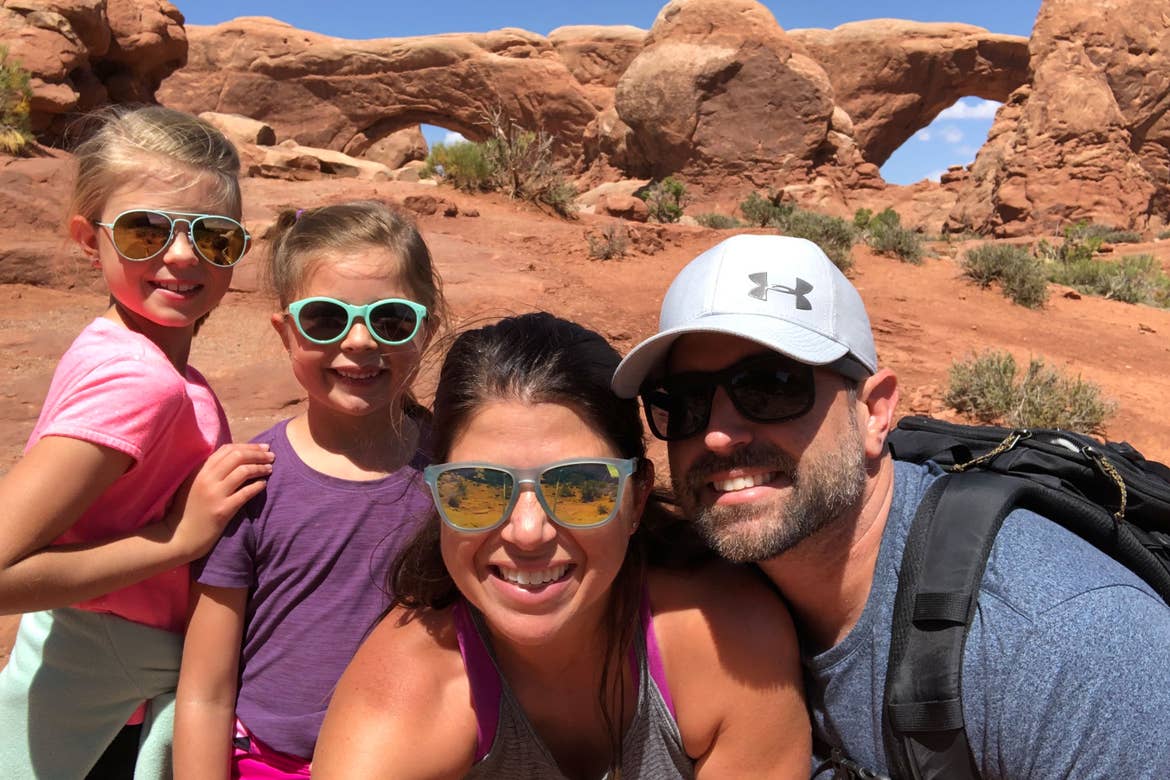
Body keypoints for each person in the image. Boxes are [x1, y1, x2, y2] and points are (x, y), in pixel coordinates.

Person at [610, 233, 1170, 778]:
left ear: (875, 412)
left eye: (772, 387)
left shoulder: (1056, 645)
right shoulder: (702, 587)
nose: (717, 435)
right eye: (684, 403)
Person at [313, 312, 810, 779]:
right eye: (479, 488)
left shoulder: (727, 643)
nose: (527, 532)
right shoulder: (399, 704)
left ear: (635, 501)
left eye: (580, 487)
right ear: (438, 498)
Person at [0, 106, 274, 778]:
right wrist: (177, 541)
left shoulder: (127, 352)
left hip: (101, 685)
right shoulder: (140, 381)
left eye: (214, 237)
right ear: (89, 240)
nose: (181, 255)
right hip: (101, 687)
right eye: (146, 230)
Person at [173, 201, 447, 779]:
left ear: (428, 327)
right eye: (325, 318)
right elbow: (204, 691)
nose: (359, 342)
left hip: (420, 763)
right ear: (285, 331)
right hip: (268, 765)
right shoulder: (251, 483)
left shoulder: (457, 471)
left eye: (391, 320)